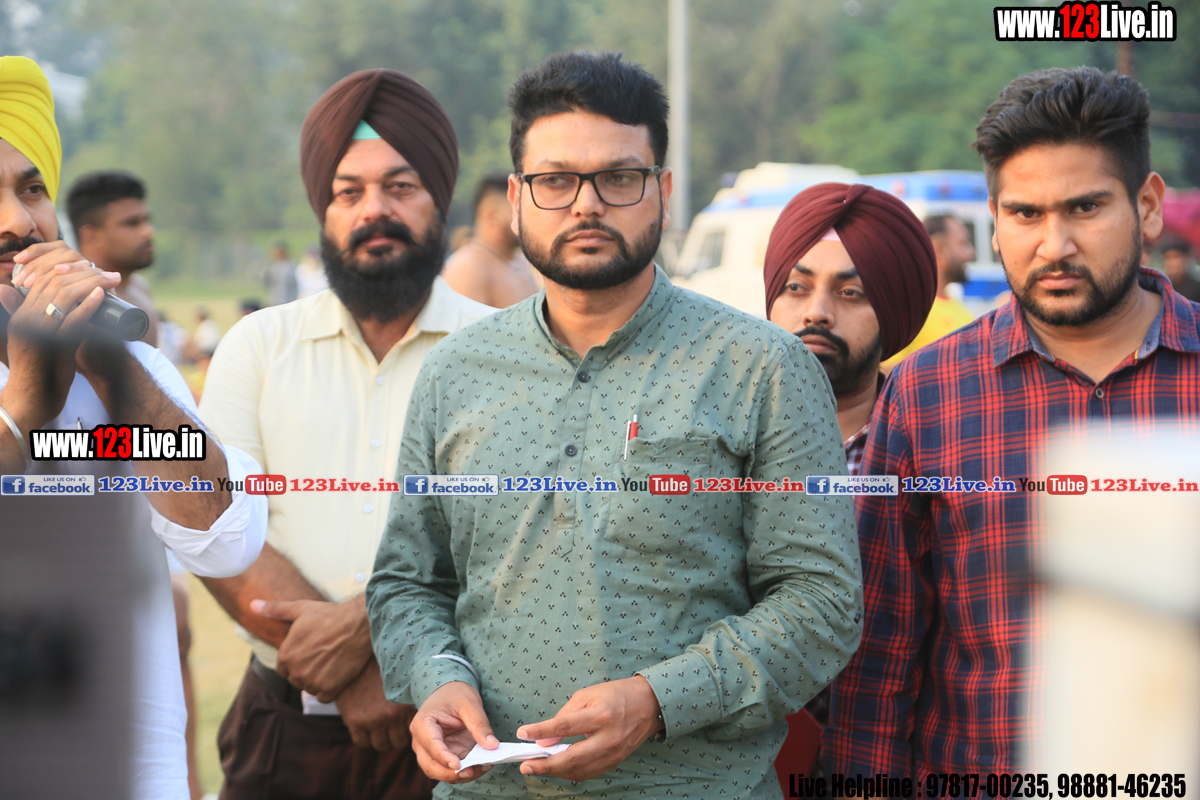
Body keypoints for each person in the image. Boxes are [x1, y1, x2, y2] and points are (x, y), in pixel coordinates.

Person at [366, 51, 862, 799]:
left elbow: (822, 600)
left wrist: (659, 702)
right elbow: (408, 582)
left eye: (619, 178)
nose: (586, 205)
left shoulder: (761, 366)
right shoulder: (454, 373)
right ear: (516, 198)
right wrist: (437, 678)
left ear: (662, 191)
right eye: (556, 180)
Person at [825, 66, 1200, 778]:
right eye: (1026, 214)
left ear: (1148, 206)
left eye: (1085, 208)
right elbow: (879, 654)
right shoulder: (928, 394)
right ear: (995, 221)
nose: (1054, 245)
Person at [196, 68, 493, 800]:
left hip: (458, 727)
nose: (375, 211)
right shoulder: (257, 347)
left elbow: (516, 538)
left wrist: (380, 642)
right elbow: (215, 518)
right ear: (322, 210)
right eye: (349, 192)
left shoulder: (504, 353)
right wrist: (348, 672)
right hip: (284, 731)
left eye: (400, 187)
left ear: (439, 199)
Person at [0, 55, 267, 800]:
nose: (17, 222)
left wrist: (117, 375)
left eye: (31, 190)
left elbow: (224, 539)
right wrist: (23, 407)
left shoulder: (124, 374)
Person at [765, 182, 937, 472]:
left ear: (892, 315)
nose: (816, 313)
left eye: (849, 292)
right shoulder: (716, 433)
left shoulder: (936, 450)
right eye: (795, 287)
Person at [66, 170, 159, 345]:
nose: (148, 231)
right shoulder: (77, 304)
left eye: (146, 220)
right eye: (132, 223)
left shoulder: (140, 288)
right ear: (91, 237)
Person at [881, 212, 976, 369]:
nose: (971, 252)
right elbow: (884, 373)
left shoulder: (954, 305)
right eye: (963, 243)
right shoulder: (910, 308)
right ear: (939, 250)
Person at [442, 171, 539, 306]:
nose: (531, 219)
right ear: (493, 216)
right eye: (520, 210)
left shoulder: (519, 262)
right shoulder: (470, 268)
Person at [1159, 236, 1200, 302]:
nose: (1172, 262)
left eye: (1176, 257)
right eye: (1167, 257)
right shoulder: (1161, 287)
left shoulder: (1197, 288)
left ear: (1186, 258)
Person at [263, 241, 298, 306]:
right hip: (275, 299)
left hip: (289, 299)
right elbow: (266, 281)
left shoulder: (291, 265)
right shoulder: (272, 266)